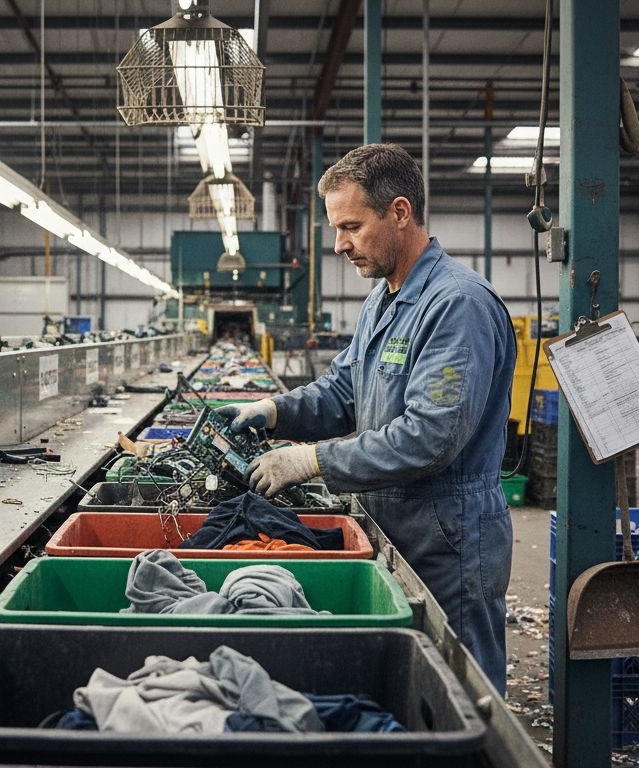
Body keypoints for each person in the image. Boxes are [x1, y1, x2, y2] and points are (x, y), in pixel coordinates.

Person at [218, 144, 517, 694]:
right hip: (393, 518)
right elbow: (344, 391)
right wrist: (273, 409)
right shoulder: (383, 300)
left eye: (352, 226)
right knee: (407, 681)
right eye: (336, 228)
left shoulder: (457, 304)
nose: (340, 245)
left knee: (462, 690)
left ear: (399, 212)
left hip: (448, 535)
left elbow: (431, 436)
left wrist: (311, 460)